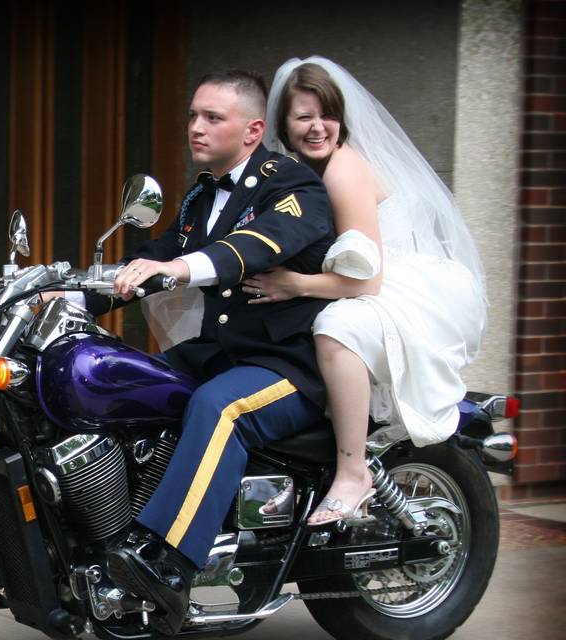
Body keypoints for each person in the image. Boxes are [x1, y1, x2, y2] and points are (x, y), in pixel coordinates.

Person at [77, 70, 335, 635]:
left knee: (221, 408)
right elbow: (155, 257)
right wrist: (67, 294)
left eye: (212, 117)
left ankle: (167, 565)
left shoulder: (292, 186)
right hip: (219, 353)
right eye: (193, 115)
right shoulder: (202, 191)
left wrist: (176, 269)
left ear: (253, 130)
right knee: (123, 385)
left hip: (287, 364)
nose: (196, 126)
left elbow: (252, 247)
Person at [242, 57, 487, 526]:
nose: (317, 127)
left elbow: (367, 279)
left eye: (326, 115)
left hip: (389, 284)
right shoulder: (290, 170)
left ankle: (353, 472)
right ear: (283, 124)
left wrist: (294, 285)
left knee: (336, 327)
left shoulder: (342, 170)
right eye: (303, 117)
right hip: (350, 277)